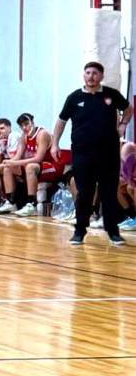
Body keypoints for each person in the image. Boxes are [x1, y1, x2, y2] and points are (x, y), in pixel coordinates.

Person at [51, 61, 132, 245]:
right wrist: (54, 144)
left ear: (101, 76)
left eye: (95, 73)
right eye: (88, 73)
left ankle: (113, 232)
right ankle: (79, 231)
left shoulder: (111, 95)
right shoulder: (74, 98)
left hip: (108, 153)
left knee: (109, 193)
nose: (91, 76)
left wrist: (123, 124)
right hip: (82, 154)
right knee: (84, 193)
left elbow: (128, 109)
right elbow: (61, 121)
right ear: (83, 75)